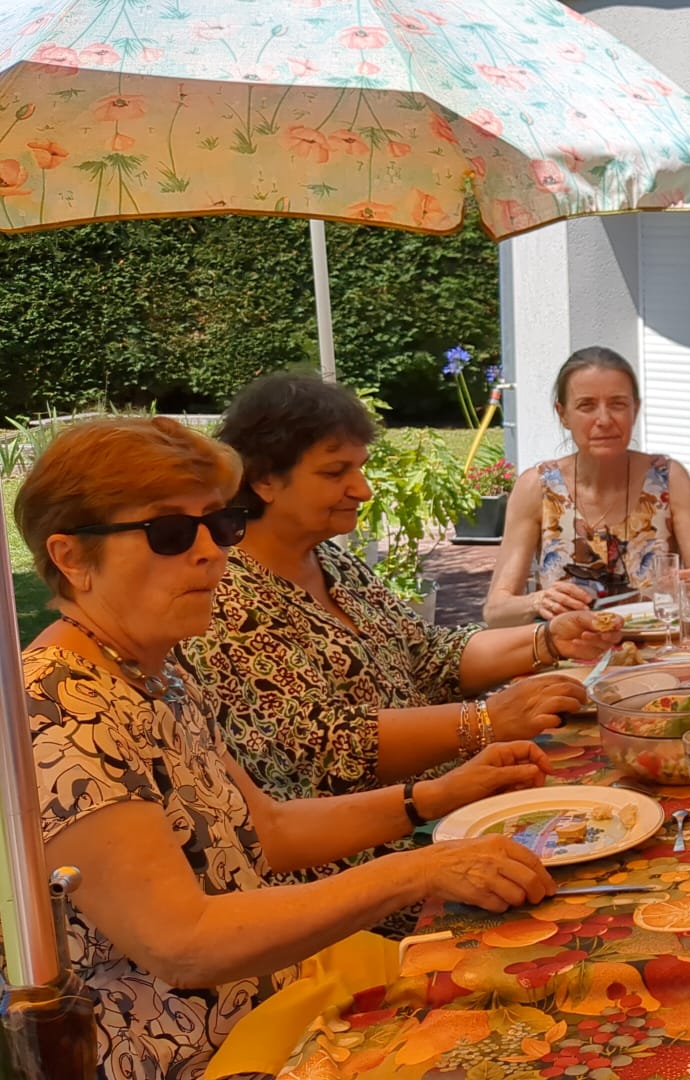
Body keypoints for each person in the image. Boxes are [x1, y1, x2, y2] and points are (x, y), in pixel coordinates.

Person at [12, 417, 557, 1076]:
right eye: (171, 532)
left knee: (546, 978)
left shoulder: (151, 669)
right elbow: (183, 944)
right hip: (210, 1053)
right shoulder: (56, 709)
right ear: (71, 558)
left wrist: (439, 795)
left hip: (278, 995)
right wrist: (416, 870)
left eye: (219, 524)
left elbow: (263, 830)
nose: (212, 552)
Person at [183, 374, 620, 931]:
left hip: (443, 815)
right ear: (265, 479)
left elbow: (426, 654)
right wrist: (484, 722)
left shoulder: (333, 563)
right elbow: (325, 744)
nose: (362, 489)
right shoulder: (225, 597)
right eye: (335, 472)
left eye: (360, 468)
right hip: (362, 876)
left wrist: (547, 639)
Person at [485, 346, 690, 625]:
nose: (605, 420)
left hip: (657, 648)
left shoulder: (667, 480)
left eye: (618, 404)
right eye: (586, 406)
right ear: (563, 414)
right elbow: (495, 611)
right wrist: (538, 601)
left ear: (635, 410)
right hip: (568, 651)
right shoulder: (538, 487)